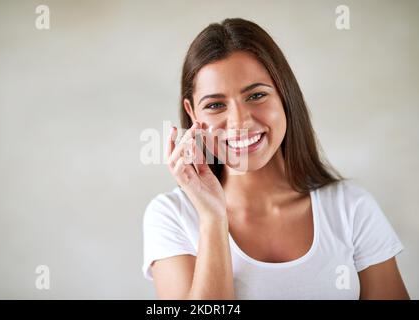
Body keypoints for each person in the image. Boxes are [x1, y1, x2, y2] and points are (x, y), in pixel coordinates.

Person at [142, 18, 409, 300]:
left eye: (256, 95)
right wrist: (212, 218)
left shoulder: (351, 207)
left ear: (285, 94)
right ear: (193, 112)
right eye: (215, 105)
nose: (239, 121)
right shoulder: (171, 215)